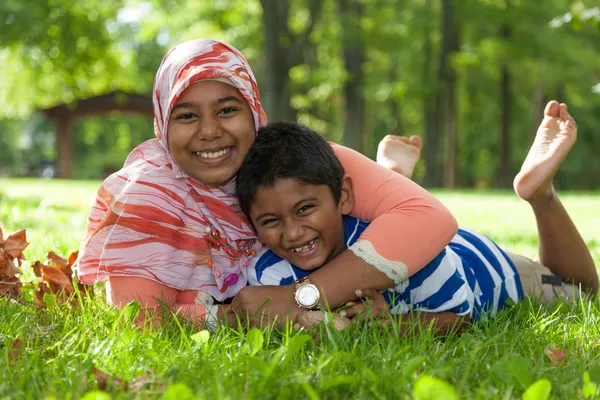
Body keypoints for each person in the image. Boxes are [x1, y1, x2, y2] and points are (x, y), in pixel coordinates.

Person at [76, 38, 458, 328]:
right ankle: (389, 174)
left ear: (254, 110)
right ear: (162, 123)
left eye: (227, 110)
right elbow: (138, 319)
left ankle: (389, 176)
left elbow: (431, 219)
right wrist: (239, 317)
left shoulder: (284, 156)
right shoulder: (147, 196)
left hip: (458, 251)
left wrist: (304, 298)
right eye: (187, 116)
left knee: (520, 271)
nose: (209, 132)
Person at [237, 105, 598, 333]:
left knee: (585, 289)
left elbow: (460, 317)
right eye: (270, 221)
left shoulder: (417, 257)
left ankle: (540, 194)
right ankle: (392, 176)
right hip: (409, 235)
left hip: (486, 268)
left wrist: (390, 325)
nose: (293, 232)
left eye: (304, 209)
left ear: (345, 195)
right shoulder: (270, 272)